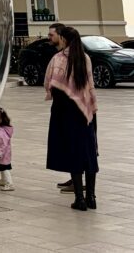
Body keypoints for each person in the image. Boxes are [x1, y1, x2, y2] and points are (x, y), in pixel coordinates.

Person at [45, 26, 98, 211]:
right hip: (86, 111)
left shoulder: (58, 59)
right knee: (89, 153)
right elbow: (89, 86)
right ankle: (91, 197)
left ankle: (80, 199)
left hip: (65, 111)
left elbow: (51, 84)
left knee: (73, 153)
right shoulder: (85, 58)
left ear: (64, 39)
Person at [0, 107, 15, 191]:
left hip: (2, 154)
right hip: (0, 154)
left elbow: (3, 144)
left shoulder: (0, 131)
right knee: (1, 167)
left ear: (0, 120)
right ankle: (3, 180)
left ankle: (9, 183)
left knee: (4, 168)